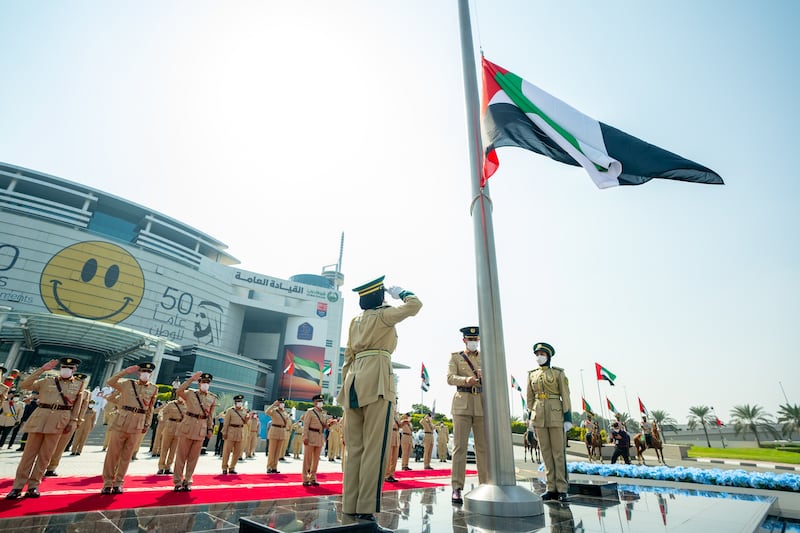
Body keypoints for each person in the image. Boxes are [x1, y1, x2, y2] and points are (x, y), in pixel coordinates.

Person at [337, 276, 422, 524]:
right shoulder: (383, 315)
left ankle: (350, 503)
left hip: (353, 382)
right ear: (380, 298)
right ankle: (365, 507)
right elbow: (415, 305)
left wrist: (345, 388)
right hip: (377, 380)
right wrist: (403, 292)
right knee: (375, 447)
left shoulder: (356, 321)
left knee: (354, 449)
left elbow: (347, 358)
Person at [5, 357, 84, 500]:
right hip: (40, 418)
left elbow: (77, 406)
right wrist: (42, 370)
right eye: (64, 367)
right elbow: (25, 384)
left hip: (59, 420)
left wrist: (72, 423)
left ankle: (33, 486)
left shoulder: (78, 385)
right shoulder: (47, 380)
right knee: (28, 455)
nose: (67, 369)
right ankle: (17, 487)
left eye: (70, 368)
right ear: (60, 369)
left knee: (45, 456)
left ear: (75, 370)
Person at [100, 362, 158, 494]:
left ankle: (119, 482)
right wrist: (125, 372)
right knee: (112, 454)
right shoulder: (127, 384)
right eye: (143, 371)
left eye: (148, 372)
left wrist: (147, 423)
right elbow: (111, 381)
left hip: (138, 424)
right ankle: (108, 482)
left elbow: (150, 408)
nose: (146, 374)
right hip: (122, 422)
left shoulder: (153, 389)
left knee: (127, 456)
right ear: (138, 373)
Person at [527, 342, 572, 503]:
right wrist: (530, 418)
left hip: (555, 414)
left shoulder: (559, 374)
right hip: (539, 415)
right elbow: (530, 398)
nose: (539, 357)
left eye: (542, 354)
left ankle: (562, 488)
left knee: (558, 453)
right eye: (537, 354)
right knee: (545, 452)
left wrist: (567, 418)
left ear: (548, 356)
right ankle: (550, 487)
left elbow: (565, 396)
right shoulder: (532, 374)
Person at [448, 326, 488, 504]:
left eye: (475, 340)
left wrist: (483, 376)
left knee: (483, 448)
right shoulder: (456, 357)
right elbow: (450, 378)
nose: (473, 343)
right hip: (462, 404)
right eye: (470, 340)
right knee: (459, 448)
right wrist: (466, 380)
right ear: (464, 340)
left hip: (481, 403)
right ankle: (456, 487)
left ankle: (485, 485)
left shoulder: (485, 357)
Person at [173, 371, 217, 491]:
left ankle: (188, 480)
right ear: (199, 383)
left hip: (201, 429)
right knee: (181, 456)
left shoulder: (212, 398)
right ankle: (177, 481)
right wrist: (190, 380)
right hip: (188, 426)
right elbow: (178, 391)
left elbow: (210, 416)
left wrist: (210, 428)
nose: (205, 384)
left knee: (193, 458)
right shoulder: (191, 394)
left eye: (208, 382)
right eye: (203, 382)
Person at [45, 372, 91, 475]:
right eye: (78, 380)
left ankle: (51, 467)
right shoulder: (65, 388)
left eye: (82, 381)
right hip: (58, 417)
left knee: (61, 445)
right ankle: (42, 464)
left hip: (71, 421)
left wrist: (78, 421)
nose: (80, 382)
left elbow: (83, 408)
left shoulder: (86, 393)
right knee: (49, 443)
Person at [301, 393, 332, 486]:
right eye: (318, 401)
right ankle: (305, 478)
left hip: (319, 436)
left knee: (316, 460)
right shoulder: (310, 412)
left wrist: (330, 424)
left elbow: (324, 425)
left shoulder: (323, 413)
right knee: (307, 459)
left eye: (321, 401)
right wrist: (305, 437)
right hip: (310, 436)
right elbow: (305, 425)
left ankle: (313, 478)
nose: (320, 403)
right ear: (314, 402)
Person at [156, 396, 185, 475]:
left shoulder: (187, 405)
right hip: (169, 426)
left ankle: (168, 467)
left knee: (173, 450)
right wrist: (160, 417)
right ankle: (161, 467)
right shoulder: (171, 404)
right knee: (164, 448)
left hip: (179, 428)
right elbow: (162, 411)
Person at [221, 394, 249, 474]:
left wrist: (247, 419)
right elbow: (226, 423)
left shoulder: (244, 411)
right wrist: (224, 432)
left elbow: (245, 422)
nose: (239, 403)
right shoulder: (230, 410)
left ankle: (232, 467)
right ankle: (224, 467)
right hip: (231, 431)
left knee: (237, 452)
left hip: (239, 432)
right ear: (235, 402)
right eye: (238, 402)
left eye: (240, 402)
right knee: (227, 451)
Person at [265, 397, 290, 473]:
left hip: (282, 432)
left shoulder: (285, 412)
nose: (282, 404)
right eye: (281, 403)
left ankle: (274, 467)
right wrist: (273, 405)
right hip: (274, 430)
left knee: (278, 451)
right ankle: (269, 466)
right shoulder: (274, 411)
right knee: (272, 451)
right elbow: (267, 412)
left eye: (283, 403)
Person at [384, 409, 401, 483]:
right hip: (390, 433)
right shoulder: (387, 412)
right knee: (389, 456)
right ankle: (386, 475)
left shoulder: (397, 415)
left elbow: (399, 424)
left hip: (396, 433)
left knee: (394, 457)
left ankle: (392, 475)